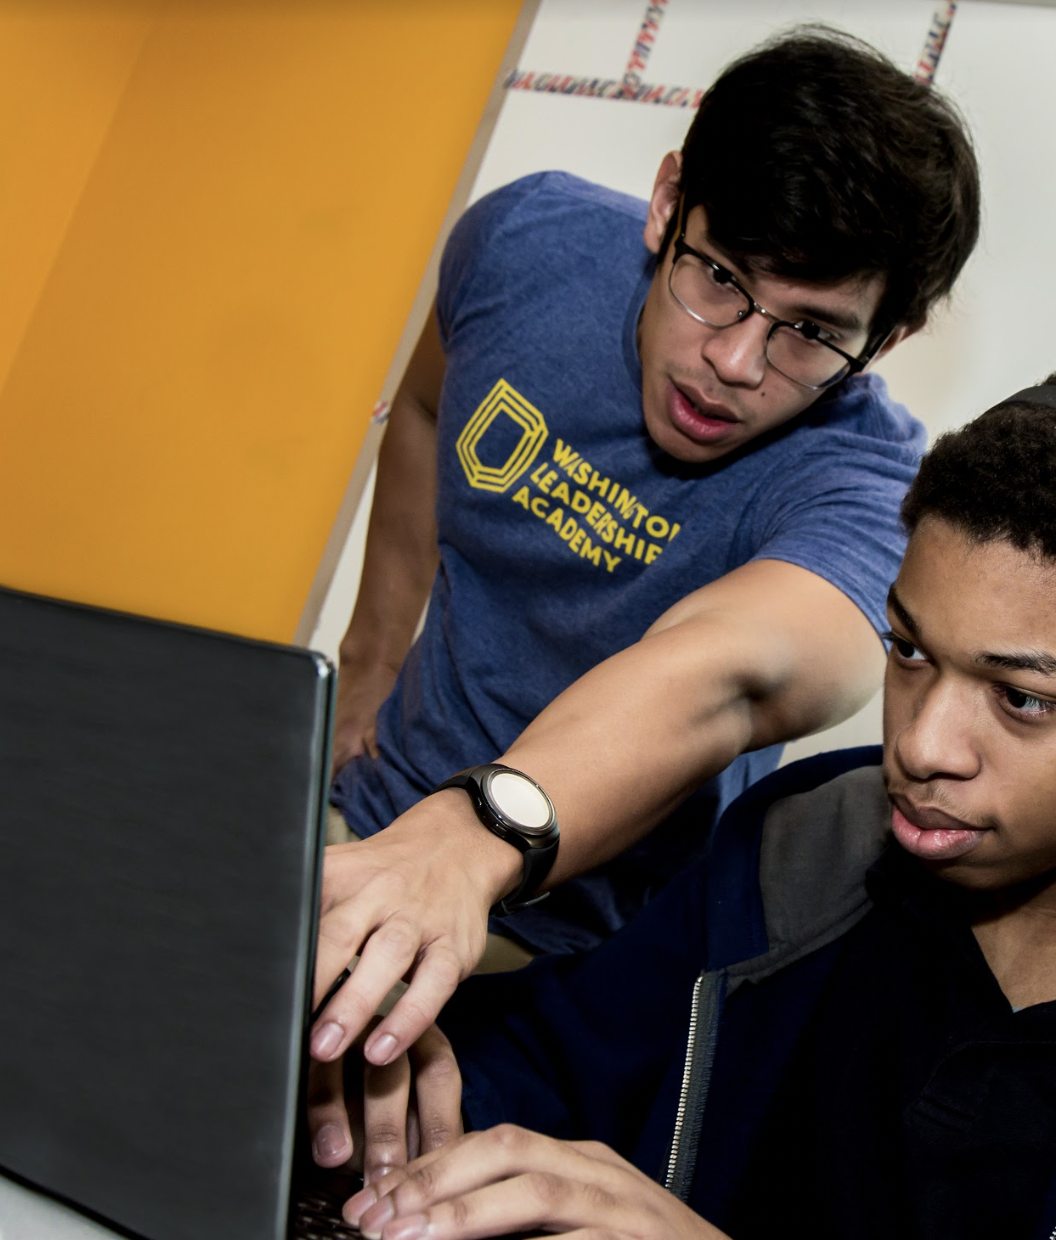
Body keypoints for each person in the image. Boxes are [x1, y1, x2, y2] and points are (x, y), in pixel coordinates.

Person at [319, 366, 1056, 1239]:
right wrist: (389, 1070)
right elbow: (568, 1064)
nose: (921, 744)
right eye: (910, 652)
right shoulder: (804, 843)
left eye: (1020, 698)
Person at [306, 23, 981, 1137]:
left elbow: (726, 671)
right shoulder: (525, 243)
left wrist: (469, 841)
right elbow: (425, 407)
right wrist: (373, 656)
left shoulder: (867, 493)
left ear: (892, 333)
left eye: (813, 332)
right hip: (368, 824)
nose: (735, 361)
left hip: (581, 959)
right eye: (719, 278)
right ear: (669, 202)